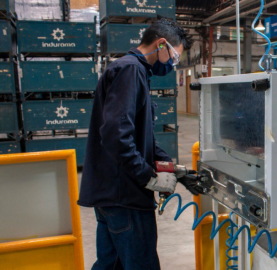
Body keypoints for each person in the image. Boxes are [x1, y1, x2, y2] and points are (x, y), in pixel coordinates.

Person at [78, 18, 198, 270]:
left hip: (110, 195)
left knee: (111, 265)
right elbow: (116, 135)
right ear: (161, 44)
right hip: (125, 196)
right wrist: (147, 177)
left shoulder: (132, 70)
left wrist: (172, 169)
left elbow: (142, 138)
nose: (172, 65)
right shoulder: (131, 70)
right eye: (174, 58)